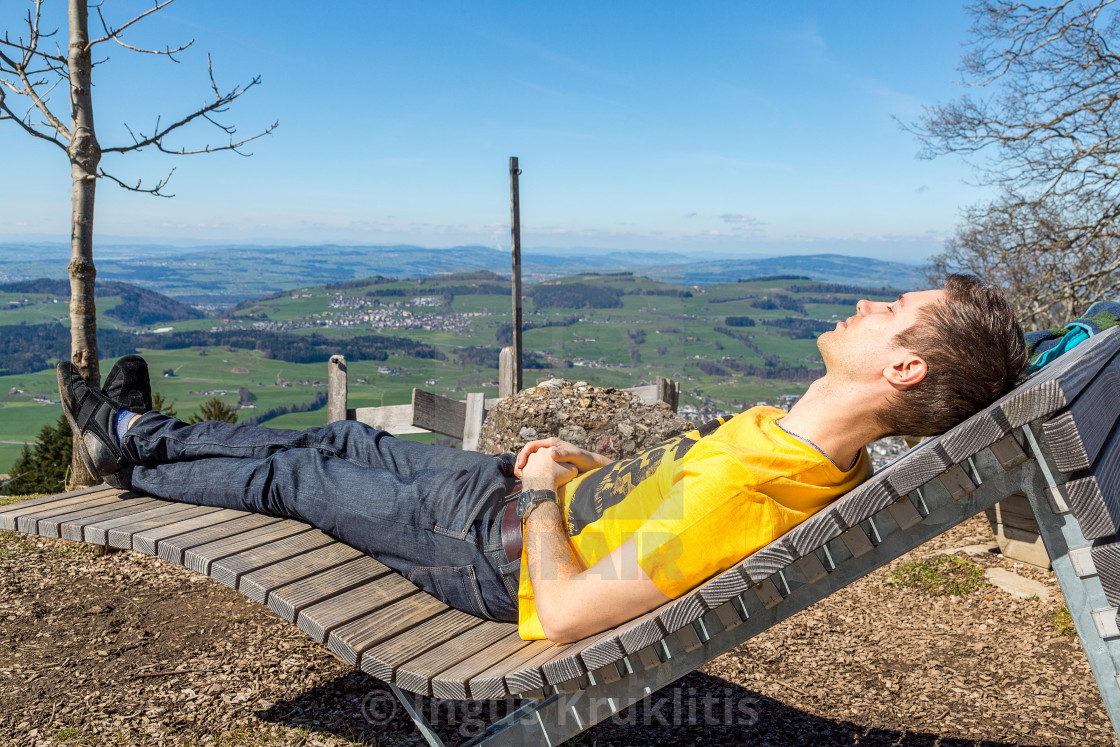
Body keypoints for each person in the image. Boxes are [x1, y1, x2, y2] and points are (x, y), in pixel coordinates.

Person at [57, 274, 1027, 643]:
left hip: (493, 552)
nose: (865, 303)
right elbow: (660, 500)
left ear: (902, 364)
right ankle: (142, 437)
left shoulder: (756, 488)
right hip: (516, 507)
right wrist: (573, 470)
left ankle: (127, 451)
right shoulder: (803, 453)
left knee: (299, 476)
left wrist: (531, 495)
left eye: (891, 310)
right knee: (346, 436)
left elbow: (565, 610)